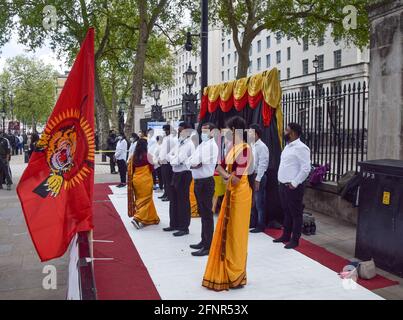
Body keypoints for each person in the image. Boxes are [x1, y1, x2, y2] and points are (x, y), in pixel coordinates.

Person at [202, 116, 253, 291]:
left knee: (236, 234)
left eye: (226, 129)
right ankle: (229, 268)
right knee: (228, 232)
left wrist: (224, 174)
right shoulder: (233, 147)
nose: (224, 132)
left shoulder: (244, 149)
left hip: (240, 196)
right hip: (232, 193)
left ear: (234, 130)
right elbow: (220, 168)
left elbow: (236, 178)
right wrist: (224, 173)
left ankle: (236, 272)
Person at [273, 123, 311, 249]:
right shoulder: (288, 146)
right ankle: (285, 235)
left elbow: (306, 169)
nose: (284, 132)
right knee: (286, 212)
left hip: (293, 187)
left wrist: (295, 183)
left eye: (287, 130)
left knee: (296, 214)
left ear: (293, 133)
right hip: (283, 185)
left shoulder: (301, 148)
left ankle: (295, 239)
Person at [189, 122, 219, 256]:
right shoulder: (202, 145)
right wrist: (191, 163)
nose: (203, 133)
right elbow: (190, 160)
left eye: (206, 131)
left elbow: (196, 163)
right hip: (198, 182)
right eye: (202, 131)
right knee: (202, 213)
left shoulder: (212, 146)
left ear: (212, 132)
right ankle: (203, 240)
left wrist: (192, 163)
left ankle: (208, 245)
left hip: (206, 183)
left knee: (207, 215)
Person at [166, 122, 195, 237]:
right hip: (176, 173)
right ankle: (174, 224)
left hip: (184, 174)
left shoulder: (189, 144)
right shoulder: (178, 142)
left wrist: (173, 159)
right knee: (173, 199)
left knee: (183, 201)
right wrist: (174, 159)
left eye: (181, 130)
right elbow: (169, 156)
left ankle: (184, 227)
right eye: (178, 130)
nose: (179, 132)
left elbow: (178, 160)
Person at [127, 138, 160, 229]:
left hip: (136, 180)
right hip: (146, 181)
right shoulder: (147, 156)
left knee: (140, 199)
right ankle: (137, 218)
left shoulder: (133, 157)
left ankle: (151, 218)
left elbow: (131, 170)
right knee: (147, 200)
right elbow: (152, 169)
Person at [248, 124, 270, 233]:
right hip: (251, 175)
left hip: (258, 176)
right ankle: (253, 222)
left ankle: (261, 225)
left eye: (251, 133)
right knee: (253, 201)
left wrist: (258, 179)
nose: (249, 134)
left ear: (256, 134)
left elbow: (263, 164)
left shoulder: (262, 146)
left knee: (259, 202)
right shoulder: (251, 145)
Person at [158, 124, 177, 203]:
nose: (164, 132)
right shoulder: (165, 138)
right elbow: (162, 150)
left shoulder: (171, 139)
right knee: (165, 180)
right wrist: (160, 158)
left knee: (168, 180)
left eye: (165, 130)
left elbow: (169, 151)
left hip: (167, 162)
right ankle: (165, 193)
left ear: (168, 130)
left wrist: (165, 159)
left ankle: (169, 195)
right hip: (163, 162)